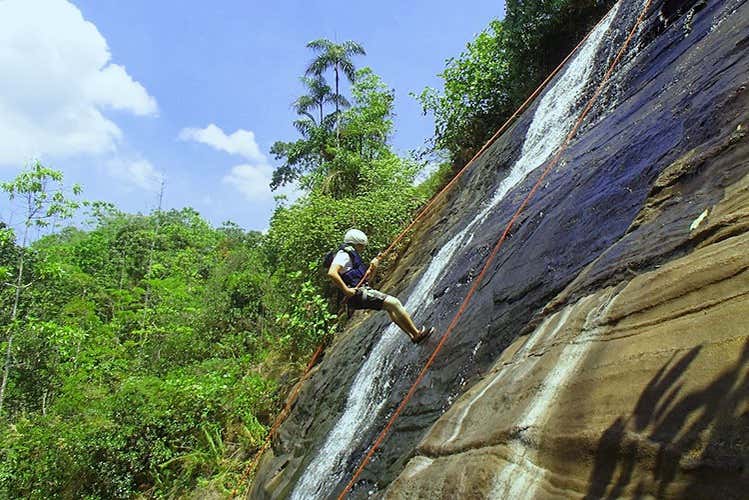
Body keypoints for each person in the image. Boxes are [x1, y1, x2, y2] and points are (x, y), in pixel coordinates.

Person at [327, 228, 434, 343]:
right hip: (356, 294)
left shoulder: (351, 258)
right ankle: (416, 334)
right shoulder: (344, 254)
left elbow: (367, 279)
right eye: (361, 246)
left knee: (391, 307)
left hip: (360, 292)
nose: (363, 248)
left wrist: (373, 267)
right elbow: (332, 273)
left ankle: (413, 336)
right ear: (356, 244)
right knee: (395, 303)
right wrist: (347, 290)